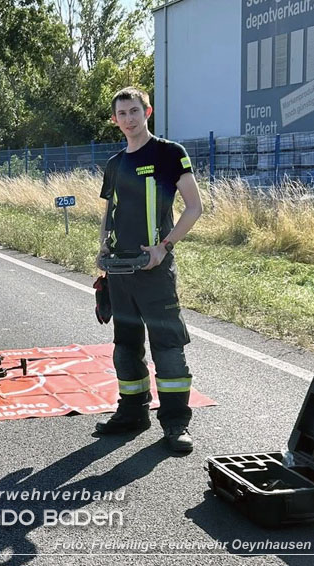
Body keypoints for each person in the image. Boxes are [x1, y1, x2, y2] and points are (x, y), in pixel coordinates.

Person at [95, 87, 202, 452]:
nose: (128, 119)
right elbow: (109, 212)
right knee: (125, 348)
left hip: (155, 270)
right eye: (121, 114)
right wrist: (102, 251)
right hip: (121, 271)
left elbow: (194, 207)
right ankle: (132, 413)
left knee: (168, 348)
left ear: (147, 112)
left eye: (134, 111)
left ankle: (175, 424)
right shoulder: (114, 164)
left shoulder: (170, 154)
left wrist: (163, 247)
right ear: (115, 120)